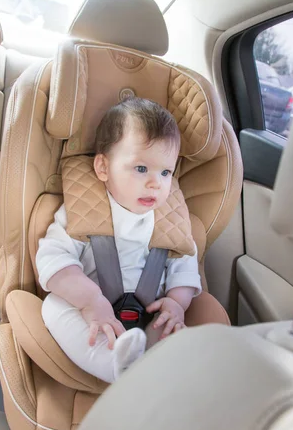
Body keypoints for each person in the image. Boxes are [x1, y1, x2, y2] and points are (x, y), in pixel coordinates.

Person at [36, 97, 229, 383]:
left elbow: (185, 268)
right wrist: (90, 300)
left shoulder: (171, 220)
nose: (156, 183)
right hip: (94, 317)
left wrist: (176, 303)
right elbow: (53, 259)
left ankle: (164, 368)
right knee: (52, 307)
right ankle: (114, 365)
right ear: (103, 167)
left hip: (152, 316)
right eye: (141, 169)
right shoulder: (82, 210)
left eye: (166, 172)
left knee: (173, 328)